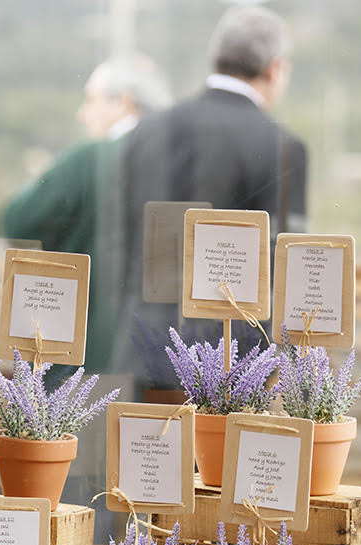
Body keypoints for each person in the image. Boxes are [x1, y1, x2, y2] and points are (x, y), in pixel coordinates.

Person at [113, 4, 308, 386]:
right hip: (233, 364)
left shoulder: (144, 133)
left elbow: (121, 240)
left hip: (141, 348)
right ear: (275, 68)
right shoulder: (281, 146)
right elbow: (287, 271)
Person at [2, 55, 170, 373]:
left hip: (88, 361)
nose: (82, 114)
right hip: (165, 369)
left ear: (124, 102)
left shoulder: (91, 159)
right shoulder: (182, 162)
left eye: (91, 100)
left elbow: (18, 219)